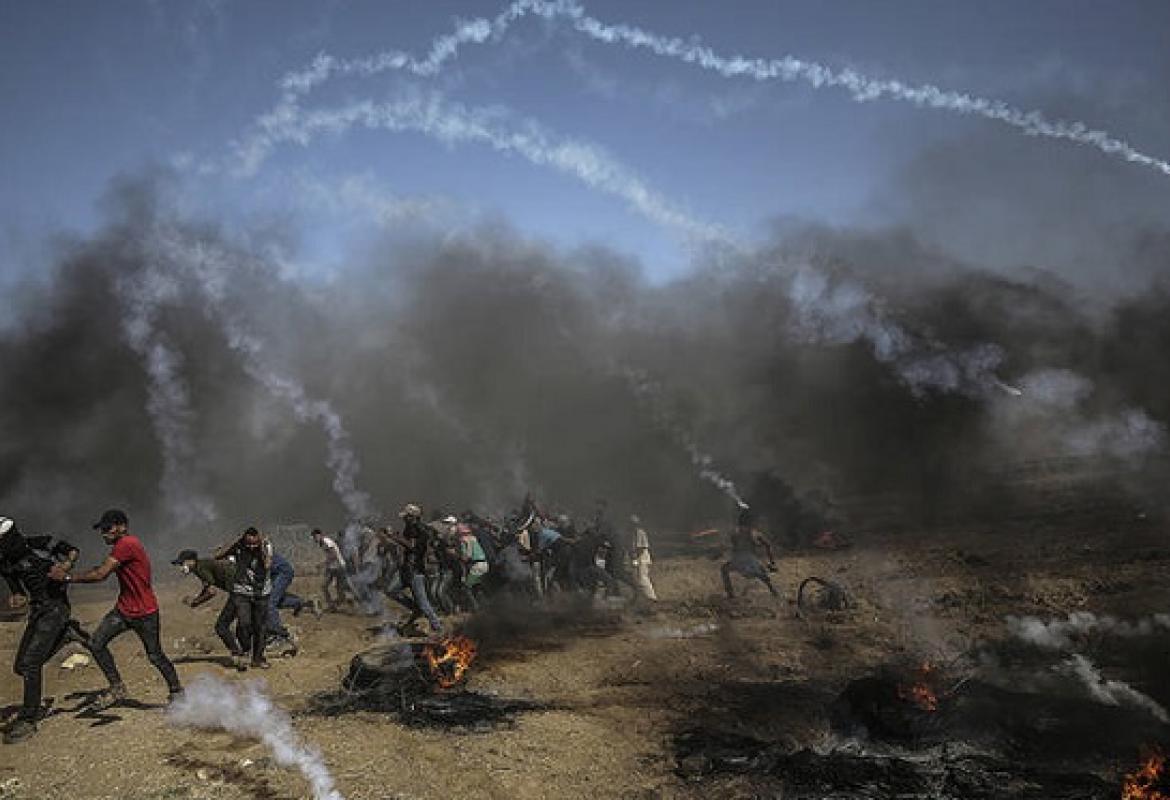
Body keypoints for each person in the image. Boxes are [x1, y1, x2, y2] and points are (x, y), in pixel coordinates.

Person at [69, 509, 183, 708]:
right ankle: (117, 688)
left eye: (107, 528)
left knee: (155, 655)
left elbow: (101, 574)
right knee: (96, 644)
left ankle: (177, 693)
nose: (104, 534)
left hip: (145, 613)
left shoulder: (127, 544)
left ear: (122, 527)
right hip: (124, 611)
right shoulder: (122, 546)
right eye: (102, 530)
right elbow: (102, 569)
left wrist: (68, 577)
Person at [5, 527, 82, 744]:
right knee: (21, 667)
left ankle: (28, 720)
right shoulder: (4, 562)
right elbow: (18, 591)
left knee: (30, 664)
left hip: (56, 607)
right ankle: (65, 636)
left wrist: (66, 565)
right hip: (38, 610)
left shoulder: (38, 543)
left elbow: (73, 550)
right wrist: (17, 598)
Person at [214, 527, 272, 670]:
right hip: (242, 591)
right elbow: (218, 555)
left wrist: (262, 547)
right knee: (244, 623)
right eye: (248, 544)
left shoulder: (266, 546)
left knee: (260, 626)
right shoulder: (239, 546)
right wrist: (235, 541)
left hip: (261, 592)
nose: (251, 547)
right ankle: (245, 649)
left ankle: (258, 658)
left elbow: (267, 564)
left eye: (254, 544)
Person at [172, 548, 243, 662]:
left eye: (182, 563)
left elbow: (211, 592)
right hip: (245, 590)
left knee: (221, 627)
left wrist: (195, 602)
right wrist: (197, 600)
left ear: (191, 561)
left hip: (240, 593)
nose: (181, 567)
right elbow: (207, 588)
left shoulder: (200, 568)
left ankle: (237, 654)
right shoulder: (203, 565)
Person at [384, 504, 443, 633]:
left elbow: (412, 546)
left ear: (412, 517)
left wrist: (394, 536)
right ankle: (416, 609)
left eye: (406, 517)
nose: (404, 519)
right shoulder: (412, 528)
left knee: (423, 603)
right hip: (408, 569)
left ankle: (438, 627)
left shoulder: (416, 529)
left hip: (415, 570)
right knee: (391, 590)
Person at [721, 508, 779, 599]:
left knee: (724, 569)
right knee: (762, 575)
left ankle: (730, 594)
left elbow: (732, 547)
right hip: (751, 561)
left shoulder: (735, 532)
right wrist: (772, 562)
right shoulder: (755, 533)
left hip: (738, 561)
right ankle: (774, 592)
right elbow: (768, 545)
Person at [267, 550, 309, 646]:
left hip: (282, 572)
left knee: (270, 603)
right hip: (277, 572)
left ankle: (280, 636)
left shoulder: (258, 547)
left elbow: (267, 564)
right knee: (274, 601)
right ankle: (299, 602)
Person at [311, 528, 349, 610]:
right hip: (332, 567)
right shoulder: (322, 543)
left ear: (319, 535)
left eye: (315, 537)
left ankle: (343, 602)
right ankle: (332, 605)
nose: (314, 539)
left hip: (339, 567)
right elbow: (330, 555)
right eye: (313, 537)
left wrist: (322, 564)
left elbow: (334, 555)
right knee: (324, 586)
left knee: (339, 588)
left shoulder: (326, 542)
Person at [629, 515, 658, 601]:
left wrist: (635, 558)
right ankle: (642, 597)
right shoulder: (633, 533)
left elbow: (641, 548)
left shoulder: (640, 533)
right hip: (638, 557)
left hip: (642, 558)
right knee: (638, 578)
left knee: (643, 578)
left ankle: (651, 597)